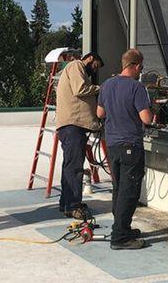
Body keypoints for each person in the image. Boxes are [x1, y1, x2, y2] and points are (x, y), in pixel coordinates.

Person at [97, 49, 152, 250]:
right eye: (141, 67)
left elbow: (99, 113)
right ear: (137, 66)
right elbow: (146, 118)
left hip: (112, 144)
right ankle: (120, 238)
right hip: (131, 144)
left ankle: (122, 228)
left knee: (119, 188)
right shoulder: (137, 88)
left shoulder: (107, 85)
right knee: (129, 192)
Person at [56, 52, 104, 219]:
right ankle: (73, 205)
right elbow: (80, 89)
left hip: (72, 126)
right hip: (73, 126)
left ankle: (66, 203)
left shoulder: (75, 69)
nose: (94, 70)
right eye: (95, 66)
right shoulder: (77, 65)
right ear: (90, 59)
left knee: (69, 166)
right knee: (75, 167)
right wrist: (102, 88)